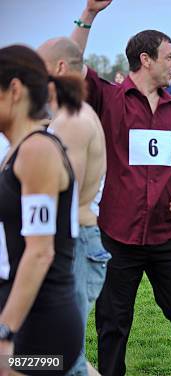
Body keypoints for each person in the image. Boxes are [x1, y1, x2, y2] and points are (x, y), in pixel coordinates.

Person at [71, 1, 171, 375]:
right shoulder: (108, 100)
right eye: (170, 56)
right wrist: (90, 14)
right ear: (146, 59)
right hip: (117, 236)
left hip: (168, 235)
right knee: (112, 328)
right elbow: (70, 63)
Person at [0, 45, 83, 374]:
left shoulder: (37, 151)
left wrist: (6, 332)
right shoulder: (16, 151)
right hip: (26, 315)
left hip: (41, 330)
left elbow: (40, 253)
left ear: (15, 90)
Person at [37, 36, 110, 376]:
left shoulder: (73, 120)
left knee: (62, 359)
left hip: (75, 244)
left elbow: (63, 192)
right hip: (77, 242)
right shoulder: (72, 115)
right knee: (60, 357)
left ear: (59, 68)